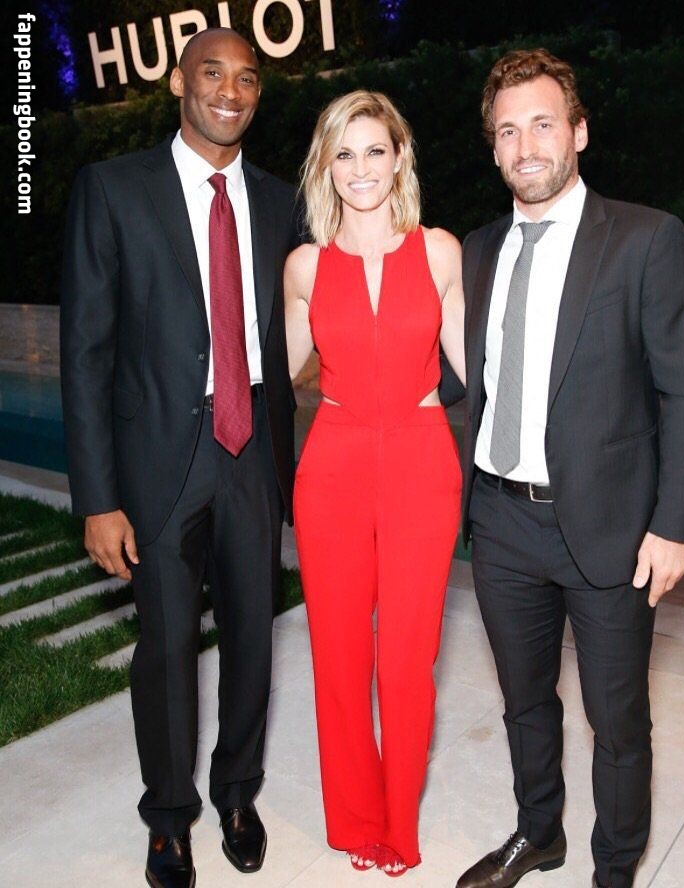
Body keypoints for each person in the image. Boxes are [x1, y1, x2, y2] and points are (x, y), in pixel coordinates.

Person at [448, 49, 684, 888]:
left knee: (616, 718)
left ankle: (614, 867)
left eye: (542, 124)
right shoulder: (476, 250)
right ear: (492, 147)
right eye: (506, 131)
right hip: (500, 521)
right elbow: (461, 380)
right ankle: (539, 834)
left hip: (609, 527)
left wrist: (674, 525)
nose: (525, 145)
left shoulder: (643, 238)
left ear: (579, 132)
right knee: (524, 701)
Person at [60, 28, 302, 888]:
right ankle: (168, 819)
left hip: (254, 454)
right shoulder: (113, 189)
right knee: (165, 650)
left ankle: (237, 794)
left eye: (247, 78)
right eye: (212, 73)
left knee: (253, 642)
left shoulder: (280, 201)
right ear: (177, 82)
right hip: (160, 460)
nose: (230, 91)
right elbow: (85, 353)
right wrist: (98, 498)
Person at [284, 90, 465, 876]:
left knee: (406, 660)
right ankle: (355, 820)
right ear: (326, 165)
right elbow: (267, 372)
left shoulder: (439, 251)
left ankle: (397, 824)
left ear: (399, 158)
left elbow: (483, 370)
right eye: (344, 153)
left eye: (374, 151)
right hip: (332, 466)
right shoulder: (304, 266)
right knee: (338, 654)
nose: (360, 168)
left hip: (422, 463)